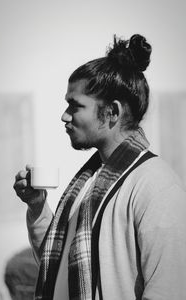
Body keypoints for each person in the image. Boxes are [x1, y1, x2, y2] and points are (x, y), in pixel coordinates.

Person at [13, 34, 186, 300]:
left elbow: (169, 290)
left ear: (112, 113)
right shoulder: (89, 182)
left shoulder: (156, 186)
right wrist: (37, 206)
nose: (64, 115)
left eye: (75, 105)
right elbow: (55, 266)